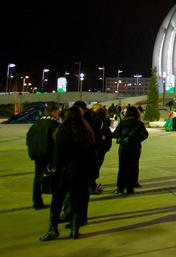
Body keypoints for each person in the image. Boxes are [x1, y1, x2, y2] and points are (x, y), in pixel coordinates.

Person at [39, 106, 97, 241]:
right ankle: (74, 230)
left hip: (65, 172)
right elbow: (92, 154)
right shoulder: (87, 132)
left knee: (57, 199)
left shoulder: (63, 131)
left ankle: (53, 229)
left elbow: (58, 154)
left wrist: (55, 168)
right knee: (77, 199)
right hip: (82, 172)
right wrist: (92, 174)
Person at [26, 102, 61, 210]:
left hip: (37, 154)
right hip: (49, 155)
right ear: (53, 112)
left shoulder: (35, 125)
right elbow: (57, 142)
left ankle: (37, 201)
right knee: (57, 178)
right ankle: (57, 202)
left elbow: (29, 139)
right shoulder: (54, 125)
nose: (59, 114)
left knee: (37, 178)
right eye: (58, 112)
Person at [111, 106, 148, 195]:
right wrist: (135, 139)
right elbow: (145, 134)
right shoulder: (139, 123)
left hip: (123, 148)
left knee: (122, 168)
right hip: (134, 148)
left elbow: (115, 134)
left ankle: (120, 188)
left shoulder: (123, 123)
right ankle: (130, 189)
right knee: (132, 167)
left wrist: (121, 138)